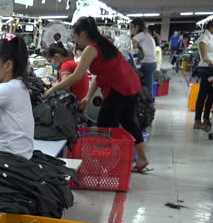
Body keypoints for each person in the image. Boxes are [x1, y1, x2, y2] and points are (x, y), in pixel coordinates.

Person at [44, 17, 149, 172]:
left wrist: (52, 89)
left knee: (105, 127)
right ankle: (141, 159)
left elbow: (76, 76)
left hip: (118, 88)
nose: (75, 41)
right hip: (130, 84)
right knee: (129, 122)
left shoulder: (91, 48)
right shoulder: (103, 44)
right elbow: (98, 75)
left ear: (84, 33)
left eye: (75, 37)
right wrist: (88, 97)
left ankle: (105, 165)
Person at [193, 21, 213, 130]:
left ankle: (206, 119)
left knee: (211, 95)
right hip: (206, 69)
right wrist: (211, 62)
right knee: (203, 94)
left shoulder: (211, 37)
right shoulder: (204, 37)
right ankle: (197, 121)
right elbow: (205, 57)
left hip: (210, 69)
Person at [131, 18, 157, 94]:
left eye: (132, 27)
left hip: (147, 64)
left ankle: (146, 102)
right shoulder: (146, 34)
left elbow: (128, 43)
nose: (131, 30)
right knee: (148, 86)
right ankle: (149, 102)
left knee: (133, 76)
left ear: (137, 27)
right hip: (152, 63)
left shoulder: (141, 35)